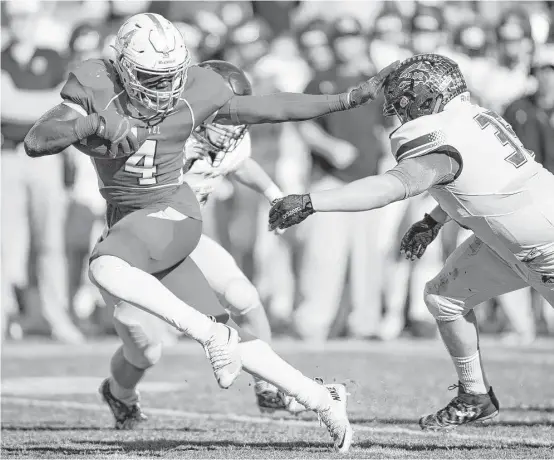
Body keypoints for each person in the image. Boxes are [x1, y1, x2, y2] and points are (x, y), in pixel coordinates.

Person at [25, 12, 397, 451]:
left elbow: (271, 108)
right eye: (152, 77)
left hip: (173, 213)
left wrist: (347, 99)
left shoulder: (199, 90)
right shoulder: (95, 84)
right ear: (124, 66)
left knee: (105, 267)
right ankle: (322, 398)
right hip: (129, 221)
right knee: (193, 338)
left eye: (172, 76)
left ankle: (208, 334)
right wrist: (86, 125)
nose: (164, 88)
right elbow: (37, 139)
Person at [269, 53, 554, 430]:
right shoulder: (472, 118)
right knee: (445, 297)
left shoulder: (440, 135)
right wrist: (433, 219)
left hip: (543, 245)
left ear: (427, 95)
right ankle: (475, 395)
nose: (401, 110)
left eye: (405, 99)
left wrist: (311, 201)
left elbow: (391, 187)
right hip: (515, 239)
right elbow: (486, 182)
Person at [183, 59, 303, 414]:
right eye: (223, 112)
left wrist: (273, 194)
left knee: (246, 298)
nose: (232, 123)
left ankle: (268, 386)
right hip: (138, 246)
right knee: (143, 347)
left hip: (186, 240)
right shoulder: (166, 135)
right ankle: (122, 391)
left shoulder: (226, 141)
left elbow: (238, 163)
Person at [1, 0, 84, 343]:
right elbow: (6, 106)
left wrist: (22, 104)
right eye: (16, 17)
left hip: (46, 158)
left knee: (51, 242)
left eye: (27, 17)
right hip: (8, 156)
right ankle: (6, 315)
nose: (22, 24)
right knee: (7, 242)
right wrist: (40, 105)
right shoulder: (3, 56)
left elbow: (65, 106)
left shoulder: (53, 57)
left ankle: (56, 315)